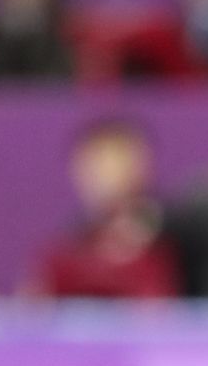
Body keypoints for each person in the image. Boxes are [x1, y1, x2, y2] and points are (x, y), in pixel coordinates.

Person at [27, 118, 182, 299]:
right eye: (95, 161)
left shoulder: (174, 240)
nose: (105, 172)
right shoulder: (63, 252)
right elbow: (33, 311)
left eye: (117, 158)